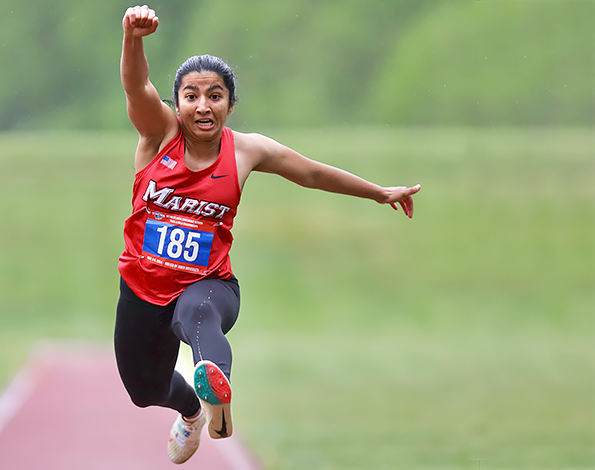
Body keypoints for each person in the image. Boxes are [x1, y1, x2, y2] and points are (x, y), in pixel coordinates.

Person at [114, 5, 421, 464]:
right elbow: (137, 86)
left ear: (230, 105)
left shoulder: (247, 151)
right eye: (192, 95)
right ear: (176, 104)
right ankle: (193, 410)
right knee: (143, 390)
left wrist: (378, 192)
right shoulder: (159, 135)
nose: (203, 105)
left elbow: (313, 174)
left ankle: (217, 386)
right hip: (142, 287)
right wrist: (133, 38)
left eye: (215, 96)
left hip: (210, 285)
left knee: (195, 312)